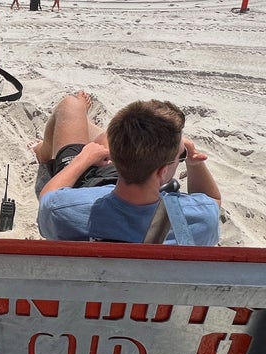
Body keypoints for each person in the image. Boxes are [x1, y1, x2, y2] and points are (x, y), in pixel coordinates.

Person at [33, 91, 221, 245]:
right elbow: (213, 200)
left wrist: (83, 159)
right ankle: (99, 137)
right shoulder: (196, 220)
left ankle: (44, 151)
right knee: (103, 137)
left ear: (114, 157)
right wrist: (194, 163)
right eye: (180, 157)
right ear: (162, 172)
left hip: (89, 181)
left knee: (70, 105)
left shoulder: (64, 210)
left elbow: (47, 197)